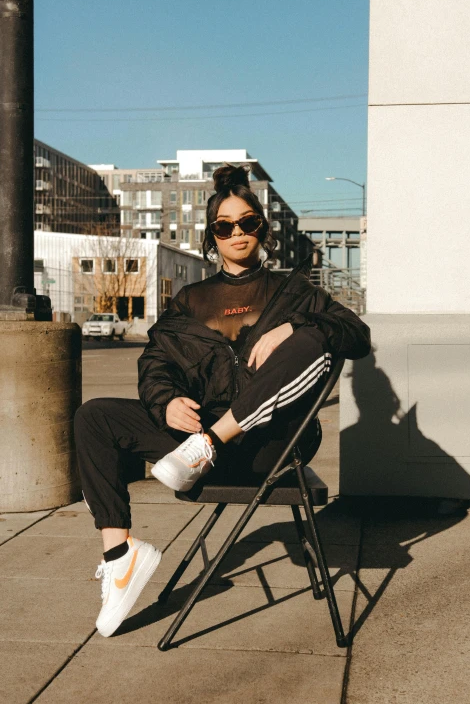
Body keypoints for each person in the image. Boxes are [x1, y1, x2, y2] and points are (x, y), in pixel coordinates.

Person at [74, 163, 371, 638]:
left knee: (313, 339)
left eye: (248, 222)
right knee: (95, 418)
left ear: (263, 229)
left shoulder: (294, 293)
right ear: (212, 236)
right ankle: (121, 557)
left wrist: (297, 327)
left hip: (268, 450)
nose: (238, 233)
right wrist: (166, 401)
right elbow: (156, 364)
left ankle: (211, 442)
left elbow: (357, 335)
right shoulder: (191, 300)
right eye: (225, 226)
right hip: (193, 452)